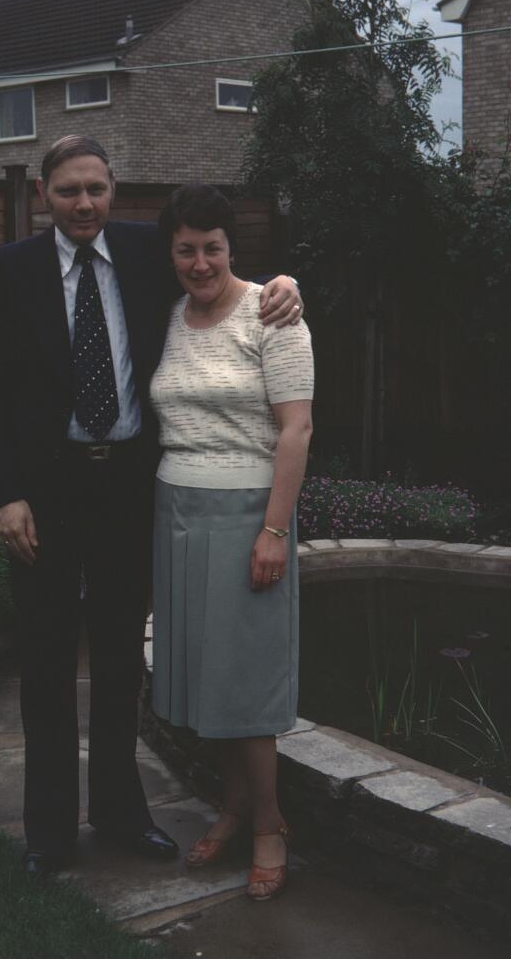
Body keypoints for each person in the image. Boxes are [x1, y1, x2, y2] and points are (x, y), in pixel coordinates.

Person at [0, 136, 304, 878]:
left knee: (120, 659)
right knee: (47, 660)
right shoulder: (10, 270)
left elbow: (218, 271)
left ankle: (122, 814)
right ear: (43, 196)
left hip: (128, 490)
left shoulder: (149, 253)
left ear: (112, 188)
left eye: (95, 188)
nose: (83, 203)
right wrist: (6, 495)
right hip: (45, 497)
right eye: (68, 190)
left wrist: (285, 283)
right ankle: (49, 831)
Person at [150, 183, 313, 901]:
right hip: (176, 512)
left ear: (230, 248)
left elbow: (296, 430)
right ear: (171, 253)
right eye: (185, 250)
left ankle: (270, 823)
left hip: (248, 514)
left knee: (245, 679)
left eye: (211, 248)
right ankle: (233, 807)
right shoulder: (169, 318)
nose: (199, 263)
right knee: (204, 679)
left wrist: (273, 530)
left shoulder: (273, 315)